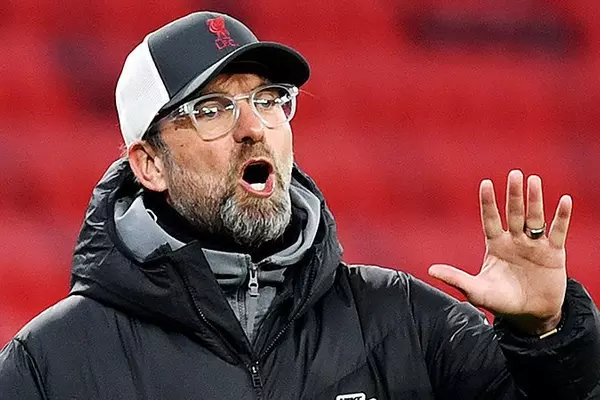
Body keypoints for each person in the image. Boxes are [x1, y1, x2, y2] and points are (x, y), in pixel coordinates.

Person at [1, 11, 599, 400]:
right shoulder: (51, 365)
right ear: (150, 164)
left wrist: (548, 336)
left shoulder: (402, 321)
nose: (253, 128)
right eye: (211, 110)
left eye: (269, 99)